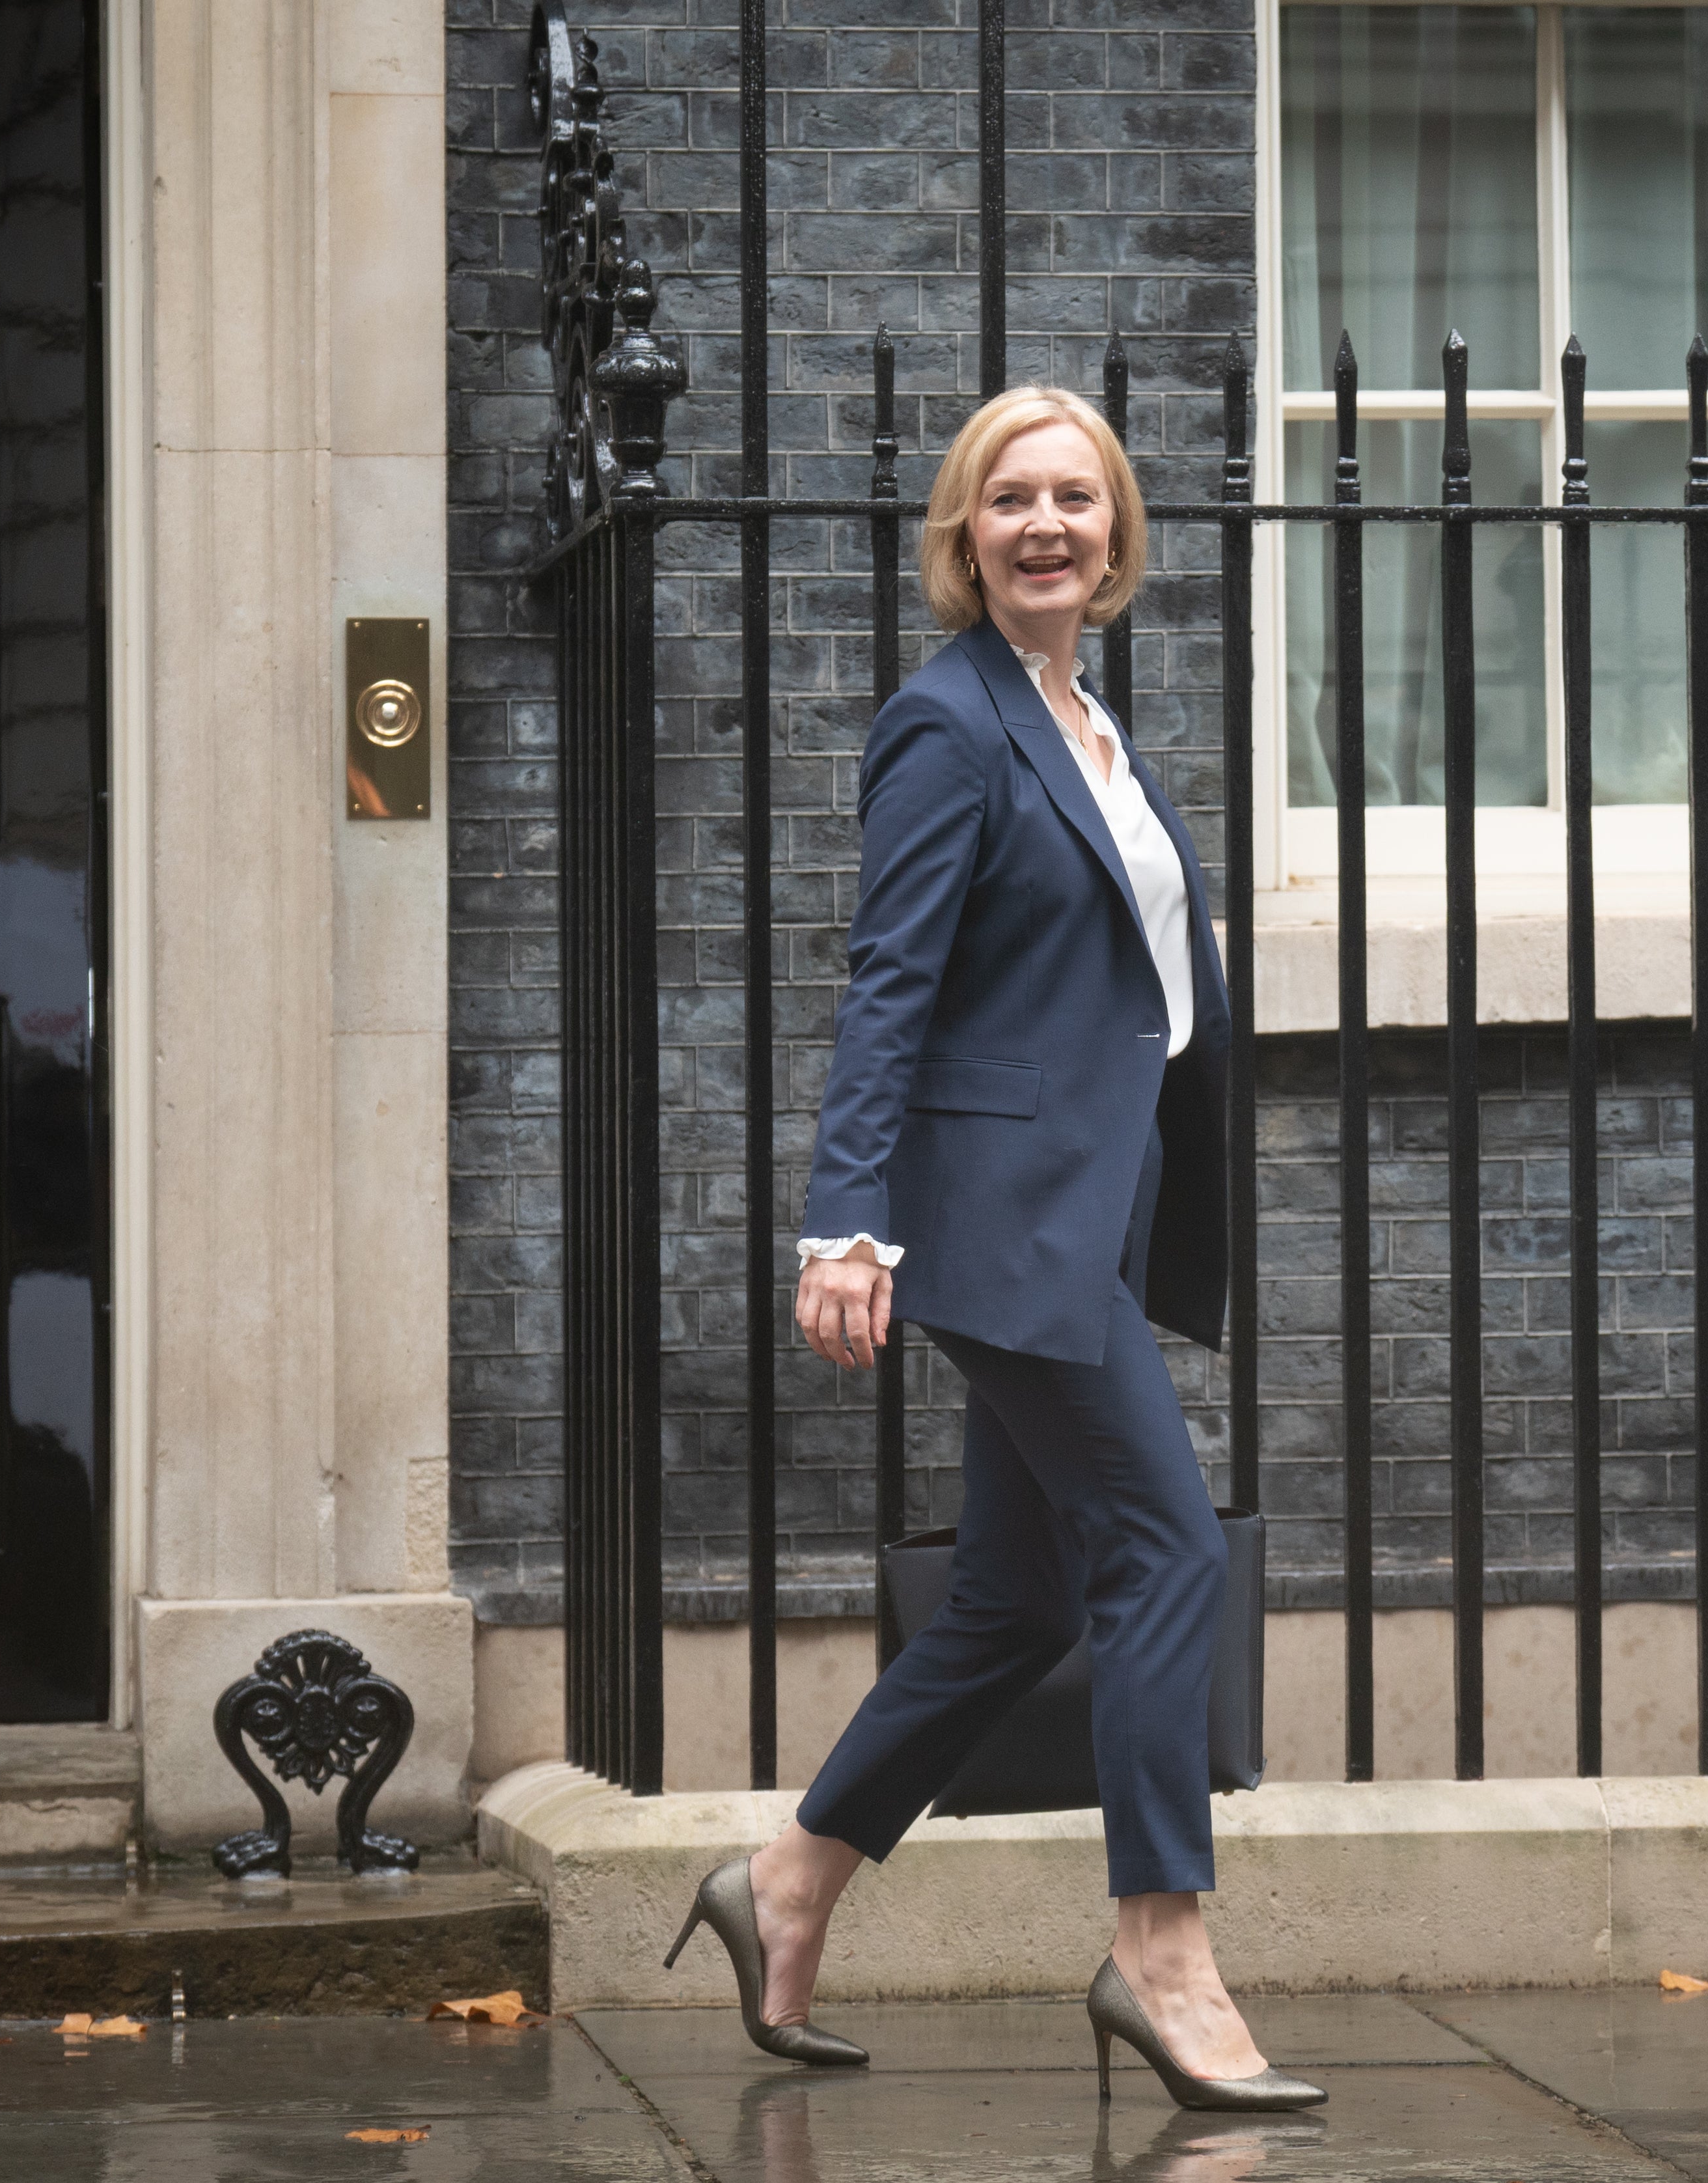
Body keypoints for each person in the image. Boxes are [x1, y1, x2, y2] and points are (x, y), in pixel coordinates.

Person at [659, 386, 1322, 2114]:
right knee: (1171, 1553)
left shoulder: (1088, 720)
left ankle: (788, 1881)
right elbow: (894, 986)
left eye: (1077, 498)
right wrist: (848, 1224)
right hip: (999, 1223)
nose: (1047, 523)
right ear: (966, 535)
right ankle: (1160, 1945)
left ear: (1118, 536)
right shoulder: (948, 724)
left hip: (1082, 1216)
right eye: (1011, 498)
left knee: (1018, 1599)